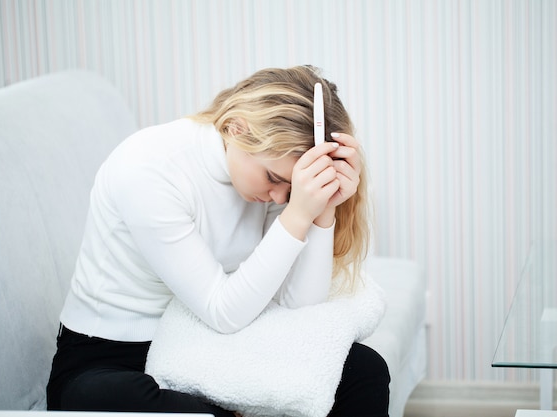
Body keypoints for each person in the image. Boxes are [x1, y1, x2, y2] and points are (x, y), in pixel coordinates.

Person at [46, 65, 390, 416]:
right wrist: (298, 214)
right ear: (236, 127)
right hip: (112, 356)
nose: (278, 197)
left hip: (204, 345)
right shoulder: (148, 168)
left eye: (292, 189)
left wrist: (321, 210)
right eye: (273, 178)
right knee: (100, 397)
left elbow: (298, 306)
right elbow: (222, 311)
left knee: (364, 371)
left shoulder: (277, 190)